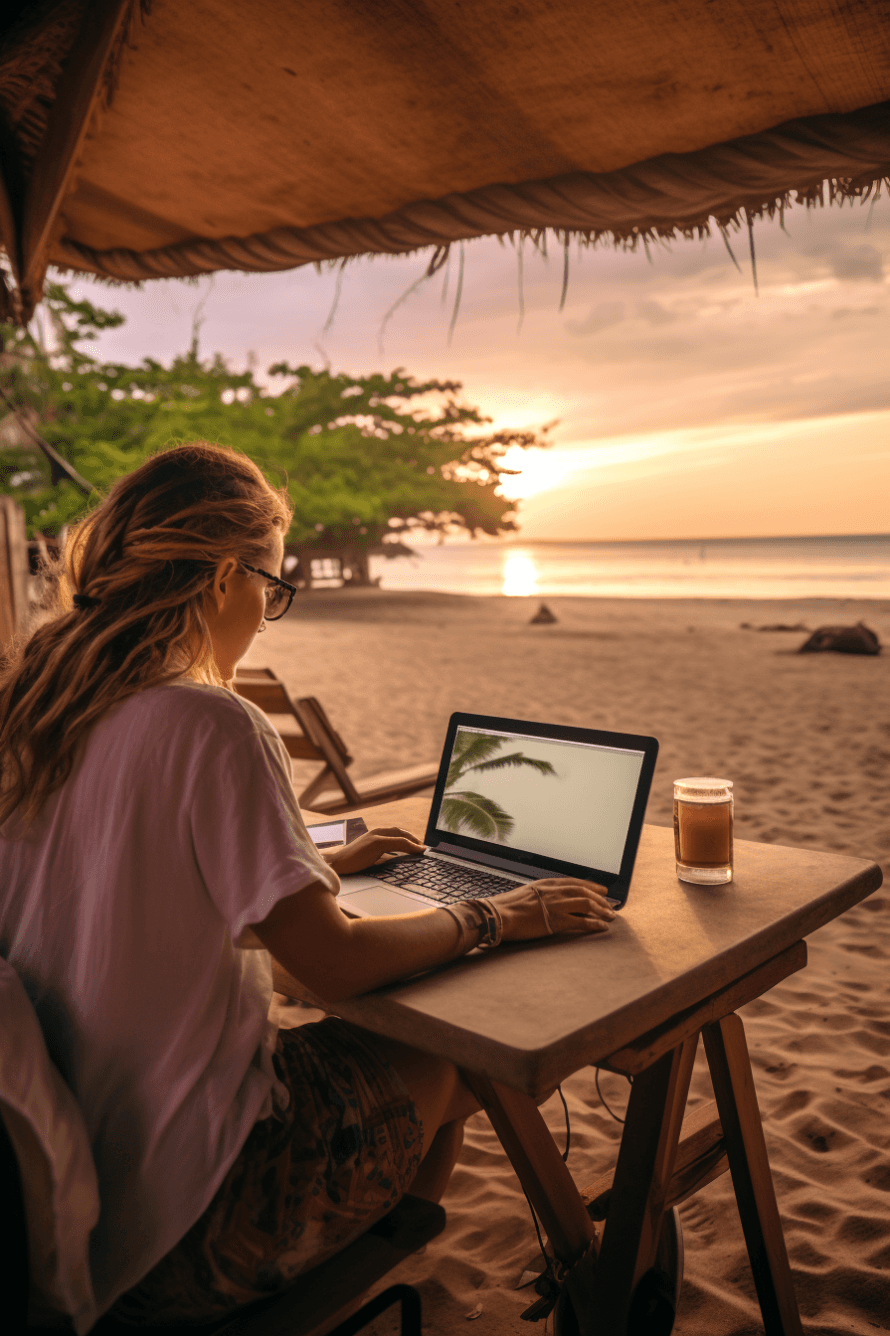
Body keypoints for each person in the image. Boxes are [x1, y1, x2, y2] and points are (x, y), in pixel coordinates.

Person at [0, 442, 616, 1326]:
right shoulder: (212, 721)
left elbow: (135, 884)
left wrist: (308, 862)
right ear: (222, 578)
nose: (265, 611)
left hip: (66, 1193)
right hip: (197, 1216)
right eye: (271, 588)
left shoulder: (30, 710)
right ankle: (462, 1266)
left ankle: (380, 1255)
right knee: (470, 1056)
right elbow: (329, 966)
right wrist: (494, 916)